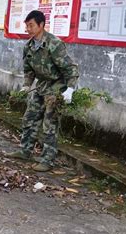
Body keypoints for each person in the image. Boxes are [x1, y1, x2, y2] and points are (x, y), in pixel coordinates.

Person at [11, 10, 79, 172]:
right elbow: (28, 70)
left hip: (56, 86)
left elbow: (69, 68)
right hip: (41, 86)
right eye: (27, 26)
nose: (28, 29)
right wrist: (27, 85)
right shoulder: (29, 46)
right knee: (30, 117)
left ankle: (47, 160)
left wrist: (70, 88)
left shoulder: (54, 44)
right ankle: (25, 150)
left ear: (41, 25)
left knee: (50, 124)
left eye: (31, 25)